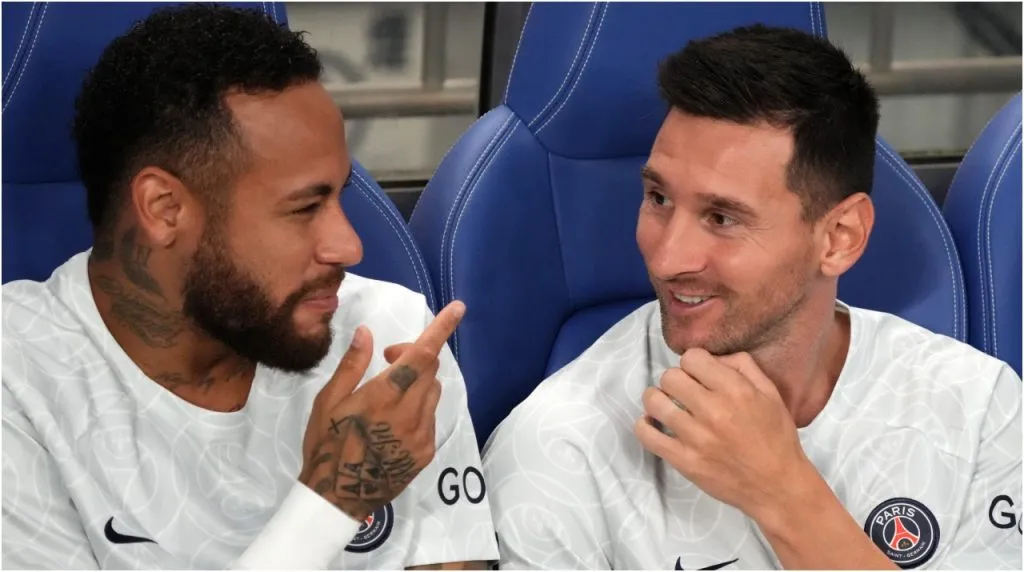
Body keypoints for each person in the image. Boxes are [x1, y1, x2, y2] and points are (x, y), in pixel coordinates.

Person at [482, 24, 1022, 570]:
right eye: (658, 198)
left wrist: (783, 493)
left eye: (722, 218)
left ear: (840, 237)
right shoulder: (557, 448)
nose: (667, 259)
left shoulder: (977, 406)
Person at [2, 4, 497, 570]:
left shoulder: (390, 336)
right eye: (305, 207)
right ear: (165, 209)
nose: (349, 246)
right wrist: (331, 501)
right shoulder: (19, 383)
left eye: (340, 196)